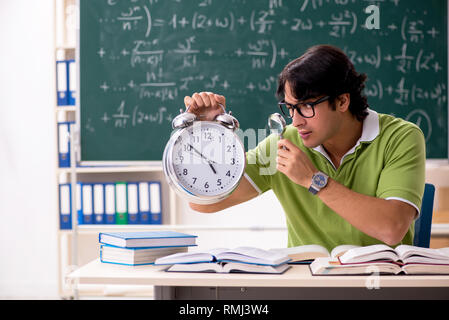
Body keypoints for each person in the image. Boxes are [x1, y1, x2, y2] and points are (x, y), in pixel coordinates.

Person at [183, 44, 425, 251]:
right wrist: (206, 135)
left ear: (342, 101)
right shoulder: (283, 144)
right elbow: (203, 202)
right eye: (289, 108)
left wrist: (313, 180)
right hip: (306, 286)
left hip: (380, 287)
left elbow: (392, 229)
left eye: (306, 106)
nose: (296, 121)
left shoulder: (401, 138)